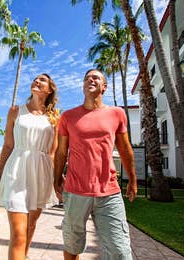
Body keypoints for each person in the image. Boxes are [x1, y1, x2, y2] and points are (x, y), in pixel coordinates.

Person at [54, 69, 137, 260]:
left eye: (96, 78)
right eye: (86, 78)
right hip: (75, 192)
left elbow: (125, 149)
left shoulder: (117, 114)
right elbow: (61, 152)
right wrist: (56, 178)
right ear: (83, 86)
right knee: (72, 246)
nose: (90, 80)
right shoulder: (67, 116)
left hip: (109, 192)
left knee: (120, 251)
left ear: (104, 87)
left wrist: (132, 179)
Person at [0, 73, 59, 260]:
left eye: (42, 80)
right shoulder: (15, 111)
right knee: (18, 233)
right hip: (16, 171)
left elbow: (53, 153)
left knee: (30, 226)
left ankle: (25, 256)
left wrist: (55, 181)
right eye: (35, 79)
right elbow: (8, 145)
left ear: (50, 89)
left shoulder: (54, 117)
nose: (36, 81)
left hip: (41, 174)